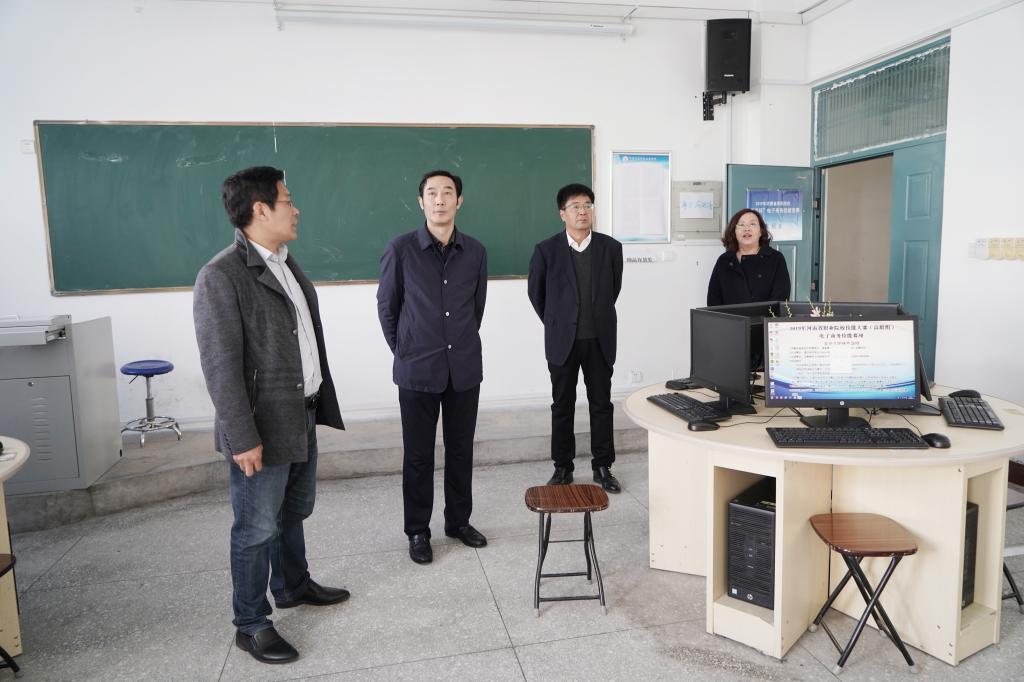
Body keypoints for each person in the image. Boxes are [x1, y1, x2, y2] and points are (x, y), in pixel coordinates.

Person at [193, 166, 348, 665]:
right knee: (255, 528)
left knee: (292, 512)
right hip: (261, 426)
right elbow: (220, 368)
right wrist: (242, 438)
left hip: (300, 411)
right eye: (288, 200)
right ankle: (251, 623)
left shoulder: (285, 261)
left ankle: (293, 584)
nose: (296, 209)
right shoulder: (221, 275)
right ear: (260, 209)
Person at [376, 169, 488, 565]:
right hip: (417, 371)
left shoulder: (475, 251)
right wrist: (406, 350)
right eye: (432, 193)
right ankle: (417, 531)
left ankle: (458, 522)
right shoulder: (400, 249)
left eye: (448, 192)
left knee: (460, 451)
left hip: (463, 369)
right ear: (421, 201)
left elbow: (476, 309)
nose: (440, 199)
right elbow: (387, 308)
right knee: (418, 456)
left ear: (459, 201)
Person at [528, 183, 624, 493]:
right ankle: (562, 467)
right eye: (575, 206)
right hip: (563, 341)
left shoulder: (611, 248)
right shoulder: (546, 250)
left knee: (601, 405)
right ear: (562, 213)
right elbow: (537, 295)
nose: (583, 211)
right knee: (562, 405)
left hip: (599, 339)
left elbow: (613, 290)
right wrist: (559, 323)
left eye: (587, 205)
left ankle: (603, 466)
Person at [706, 208, 791, 306]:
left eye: (752, 224)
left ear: (761, 231)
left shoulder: (775, 258)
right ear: (734, 232)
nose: (747, 229)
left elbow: (781, 298)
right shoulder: (724, 260)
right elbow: (713, 301)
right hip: (730, 316)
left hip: (765, 316)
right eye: (741, 225)